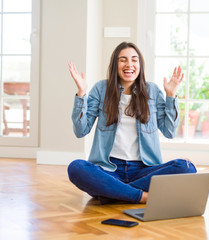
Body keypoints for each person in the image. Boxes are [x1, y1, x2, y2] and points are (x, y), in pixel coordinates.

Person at [67, 41, 197, 204]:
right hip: (108, 169)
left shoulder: (152, 91)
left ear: (140, 65)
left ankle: (114, 192)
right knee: (76, 168)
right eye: (123, 60)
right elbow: (81, 130)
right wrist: (81, 94)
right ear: (115, 64)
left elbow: (169, 132)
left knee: (186, 167)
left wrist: (171, 95)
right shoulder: (101, 89)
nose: (129, 64)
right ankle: (141, 196)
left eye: (134, 60)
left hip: (144, 170)